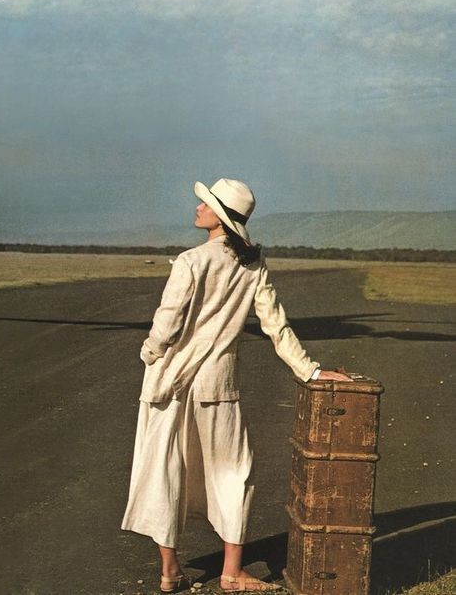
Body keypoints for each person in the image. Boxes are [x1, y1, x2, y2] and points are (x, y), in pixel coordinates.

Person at [121, 178, 350, 593]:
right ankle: (231, 572)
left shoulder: (191, 260)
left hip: (168, 384)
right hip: (217, 387)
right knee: (234, 473)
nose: (197, 208)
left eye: (204, 203)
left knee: (166, 469)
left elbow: (166, 324)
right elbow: (275, 325)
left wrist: (149, 353)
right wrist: (310, 371)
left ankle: (170, 572)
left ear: (219, 216)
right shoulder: (252, 266)